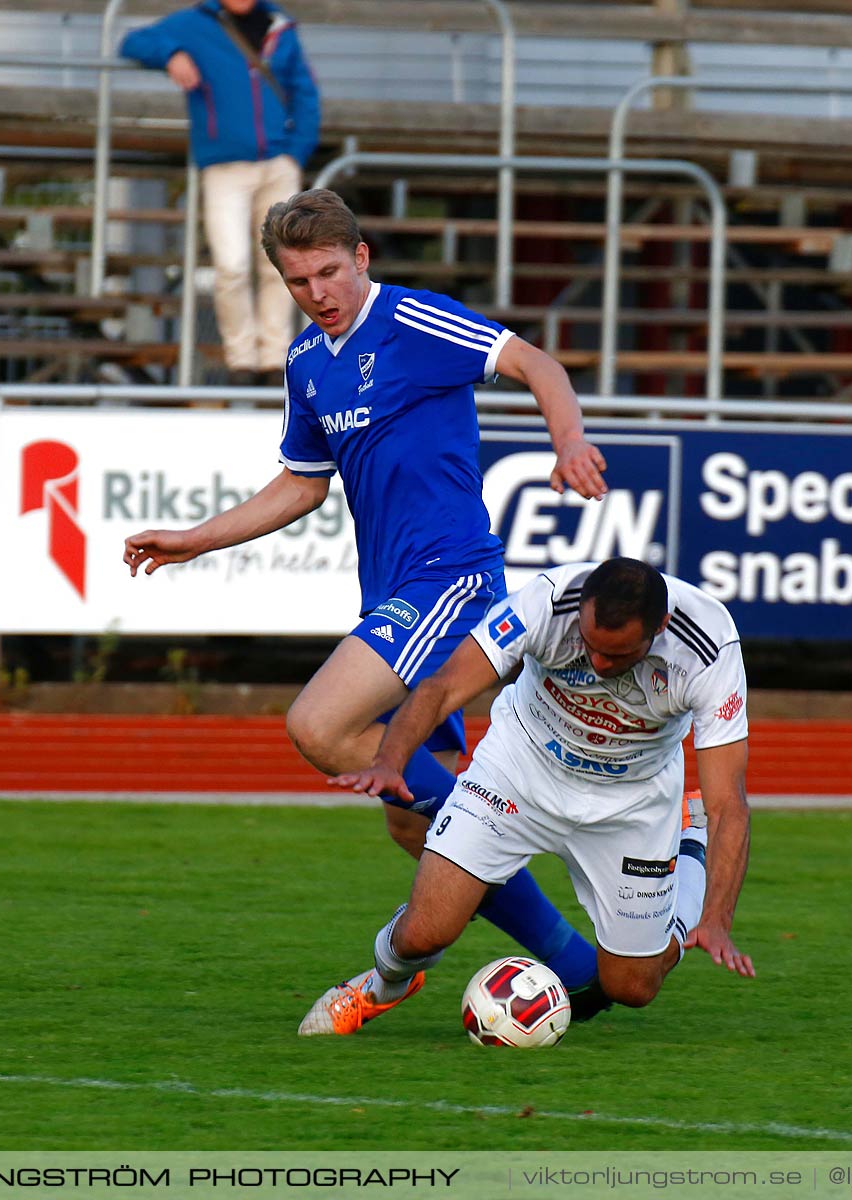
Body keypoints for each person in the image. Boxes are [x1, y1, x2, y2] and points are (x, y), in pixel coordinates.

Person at [124, 187, 616, 1013]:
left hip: (451, 581)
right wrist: (195, 539)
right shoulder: (307, 364)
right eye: (296, 281)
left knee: (320, 726)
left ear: (361, 259)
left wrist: (568, 441)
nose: (318, 293)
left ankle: (509, 858)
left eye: (328, 271)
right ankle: (575, 965)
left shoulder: (416, 322)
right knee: (413, 823)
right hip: (394, 592)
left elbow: (538, 363)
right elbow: (302, 485)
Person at [302, 557, 754, 1036]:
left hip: (632, 802)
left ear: (659, 627)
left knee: (632, 987)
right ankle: (381, 984)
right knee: (423, 933)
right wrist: (390, 759)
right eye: (590, 645)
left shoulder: (709, 645)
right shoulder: (547, 602)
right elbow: (442, 687)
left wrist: (716, 919)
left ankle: (690, 847)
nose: (598, 664)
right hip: (518, 769)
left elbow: (728, 804)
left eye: (617, 656)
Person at [120, 0, 319, 387]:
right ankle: (241, 359)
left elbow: (304, 92)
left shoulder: (280, 25)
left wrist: (296, 153)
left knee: (280, 264)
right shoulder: (193, 24)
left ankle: (275, 359)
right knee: (231, 265)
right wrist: (171, 54)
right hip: (224, 166)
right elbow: (132, 42)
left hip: (278, 164)